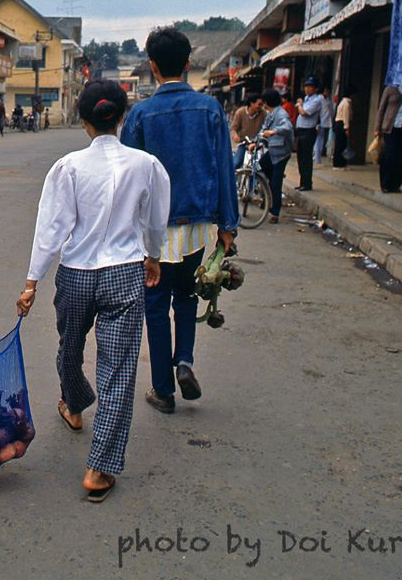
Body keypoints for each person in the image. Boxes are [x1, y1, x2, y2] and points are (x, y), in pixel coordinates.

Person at [17, 79, 169, 502]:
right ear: (122, 117)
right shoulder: (147, 165)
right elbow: (156, 221)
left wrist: (32, 282)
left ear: (84, 121)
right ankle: (99, 469)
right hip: (124, 272)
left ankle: (74, 402)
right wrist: (153, 256)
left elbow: (52, 229)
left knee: (69, 347)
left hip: (77, 273)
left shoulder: (68, 167)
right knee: (118, 370)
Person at [120, 26, 239, 414]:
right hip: (196, 230)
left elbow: (127, 179)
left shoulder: (139, 115)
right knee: (186, 297)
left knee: (155, 305)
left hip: (153, 232)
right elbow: (224, 167)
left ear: (152, 67)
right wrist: (227, 225)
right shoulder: (210, 109)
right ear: (188, 64)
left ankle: (162, 389)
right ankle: (184, 359)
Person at [258, 89, 295, 223]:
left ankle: (275, 213)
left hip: (282, 152)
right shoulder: (271, 114)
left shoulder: (281, 114)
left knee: (276, 183)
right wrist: (257, 140)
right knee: (262, 163)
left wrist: (273, 132)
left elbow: (288, 127)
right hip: (273, 150)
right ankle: (271, 184)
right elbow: (263, 129)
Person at [294, 77, 322, 191]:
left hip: (308, 131)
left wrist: (299, 105)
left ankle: (307, 183)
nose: (307, 89)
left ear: (315, 89)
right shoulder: (306, 98)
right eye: (306, 86)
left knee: (306, 157)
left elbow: (304, 112)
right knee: (300, 157)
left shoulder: (316, 100)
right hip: (300, 130)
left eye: (310, 87)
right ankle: (302, 182)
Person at [230, 93, 265, 170]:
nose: (260, 106)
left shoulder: (263, 114)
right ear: (251, 103)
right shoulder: (240, 112)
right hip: (243, 143)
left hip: (256, 144)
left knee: (258, 167)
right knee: (236, 163)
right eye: (259, 104)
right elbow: (233, 128)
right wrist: (235, 136)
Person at [333, 85, 355, 170]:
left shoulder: (342, 102)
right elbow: (346, 116)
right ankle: (339, 164)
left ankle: (340, 163)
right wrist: (346, 128)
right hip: (341, 124)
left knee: (340, 144)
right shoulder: (346, 103)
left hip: (339, 123)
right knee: (341, 145)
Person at [315, 86, 334, 167]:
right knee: (319, 141)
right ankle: (317, 159)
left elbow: (331, 111)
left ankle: (318, 158)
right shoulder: (319, 99)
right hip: (320, 123)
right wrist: (317, 123)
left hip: (326, 122)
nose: (328, 93)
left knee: (322, 141)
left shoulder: (328, 100)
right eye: (326, 91)